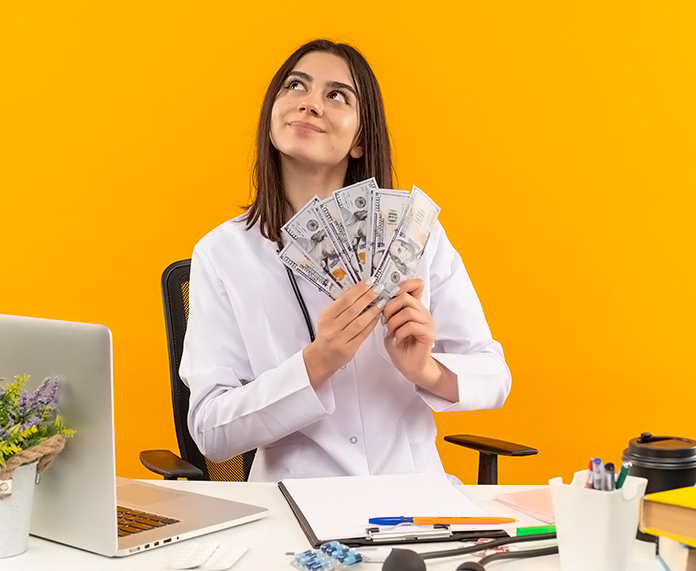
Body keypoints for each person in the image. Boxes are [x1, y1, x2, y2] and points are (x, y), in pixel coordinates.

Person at [179, 39, 511, 483]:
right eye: (295, 86)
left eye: (337, 95)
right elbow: (210, 430)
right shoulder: (222, 253)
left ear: (359, 140)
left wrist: (424, 368)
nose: (311, 104)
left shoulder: (416, 235)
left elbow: (494, 375)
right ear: (272, 117)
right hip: (295, 503)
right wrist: (317, 361)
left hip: (412, 493)